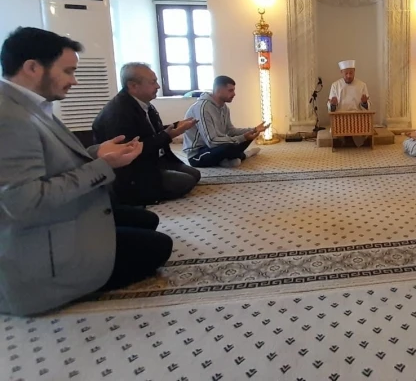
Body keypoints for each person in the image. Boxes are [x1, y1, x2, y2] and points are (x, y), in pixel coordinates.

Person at [0, 27, 173, 316]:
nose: (74, 80)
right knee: (158, 247)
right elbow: (25, 202)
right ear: (32, 67)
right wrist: (103, 166)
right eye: (68, 71)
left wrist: (96, 153)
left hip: (62, 217)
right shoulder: (9, 118)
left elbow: (54, 161)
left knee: (146, 220)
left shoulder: (28, 106)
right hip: (40, 252)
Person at [93, 63, 201, 205]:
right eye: (153, 82)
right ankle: (140, 196)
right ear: (133, 86)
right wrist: (169, 136)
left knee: (195, 174)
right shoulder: (118, 112)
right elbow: (132, 149)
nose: (158, 86)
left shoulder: (144, 104)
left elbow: (150, 131)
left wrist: (176, 126)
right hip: (134, 172)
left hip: (155, 161)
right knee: (186, 181)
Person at [183, 75, 268, 167]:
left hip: (216, 147)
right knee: (230, 146)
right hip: (198, 154)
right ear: (218, 90)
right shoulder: (202, 108)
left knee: (248, 136)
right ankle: (244, 155)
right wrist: (243, 137)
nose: (234, 94)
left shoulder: (224, 107)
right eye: (230, 90)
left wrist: (253, 130)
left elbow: (230, 131)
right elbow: (211, 141)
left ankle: (226, 159)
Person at [328, 59, 371, 147]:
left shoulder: (362, 85)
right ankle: (343, 140)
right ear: (341, 72)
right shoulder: (335, 85)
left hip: (357, 117)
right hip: (340, 118)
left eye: (351, 73)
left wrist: (364, 103)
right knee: (336, 130)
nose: (349, 76)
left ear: (354, 71)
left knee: (364, 129)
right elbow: (331, 106)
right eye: (346, 73)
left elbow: (367, 105)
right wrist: (333, 104)